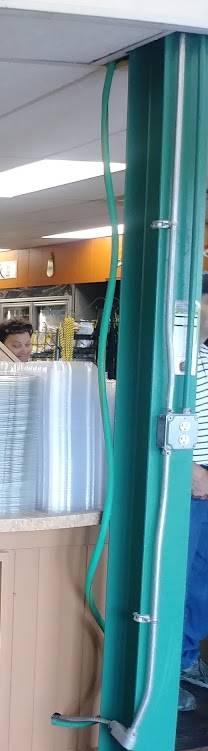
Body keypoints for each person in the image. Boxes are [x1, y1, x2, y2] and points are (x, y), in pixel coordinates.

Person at [178, 275, 208, 711]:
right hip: (191, 479)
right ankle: (168, 669)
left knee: (201, 580)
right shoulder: (180, 358)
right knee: (178, 578)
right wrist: (189, 467)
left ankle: (186, 659)